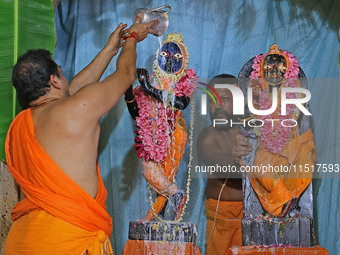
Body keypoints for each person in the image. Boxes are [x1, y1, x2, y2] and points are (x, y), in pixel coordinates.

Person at [4, 16, 158, 255]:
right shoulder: (76, 109)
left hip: (21, 241)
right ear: (54, 80)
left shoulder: (17, 128)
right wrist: (132, 38)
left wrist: (109, 49)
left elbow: (71, 92)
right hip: (65, 242)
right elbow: (126, 73)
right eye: (61, 74)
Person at [124, 33, 198, 221]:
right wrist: (128, 91)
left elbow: (181, 103)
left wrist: (148, 88)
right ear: (158, 56)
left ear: (185, 60)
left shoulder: (184, 81)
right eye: (165, 55)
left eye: (177, 57)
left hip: (174, 132)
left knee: (162, 175)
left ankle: (165, 208)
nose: (171, 59)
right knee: (156, 176)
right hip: (153, 134)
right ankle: (169, 204)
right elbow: (137, 113)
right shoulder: (151, 78)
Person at [197, 74, 252, 255]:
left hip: (254, 218)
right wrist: (241, 160)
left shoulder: (254, 132)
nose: (218, 106)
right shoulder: (207, 136)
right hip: (222, 224)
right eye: (213, 101)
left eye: (225, 99)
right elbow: (225, 168)